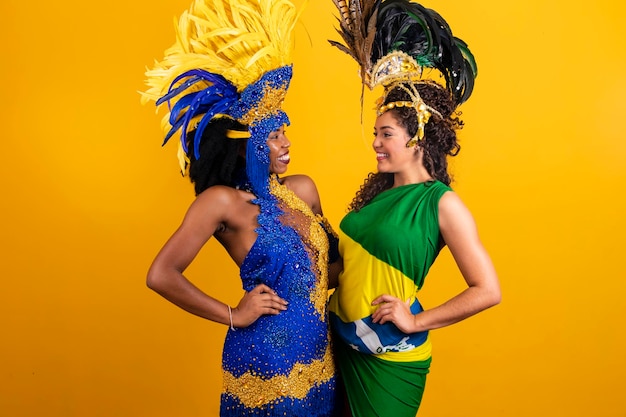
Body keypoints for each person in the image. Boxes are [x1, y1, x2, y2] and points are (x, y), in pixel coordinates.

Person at [141, 1, 340, 416]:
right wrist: (234, 313)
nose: (286, 144)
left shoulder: (302, 189)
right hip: (264, 365)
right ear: (247, 141)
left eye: (286, 132)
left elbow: (332, 272)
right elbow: (160, 275)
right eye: (274, 134)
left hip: (321, 357)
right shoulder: (221, 202)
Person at [326, 0, 502, 416]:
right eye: (375, 133)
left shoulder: (442, 204)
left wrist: (415, 320)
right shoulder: (375, 193)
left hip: (388, 357)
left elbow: (488, 290)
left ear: (417, 137)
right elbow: (348, 267)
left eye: (385, 133)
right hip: (337, 341)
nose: (375, 143)